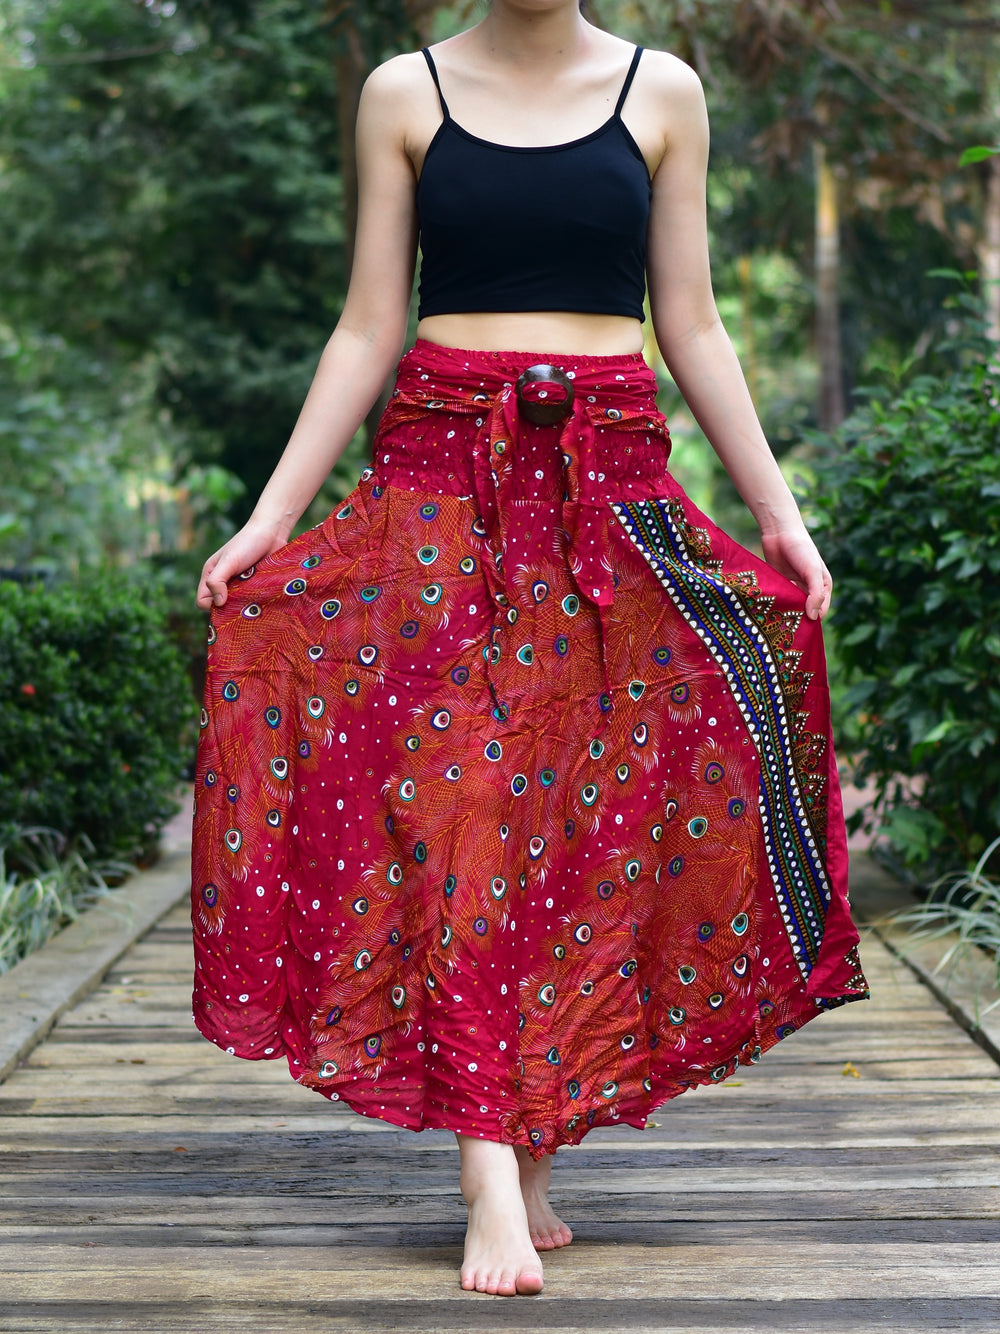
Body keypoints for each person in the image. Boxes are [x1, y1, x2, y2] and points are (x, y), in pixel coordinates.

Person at [191, 0, 868, 1298]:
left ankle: (534, 1134)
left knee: (575, 812)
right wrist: (271, 517)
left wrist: (779, 518)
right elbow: (367, 326)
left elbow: (696, 323)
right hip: (440, 482)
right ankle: (487, 1173)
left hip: (611, 482)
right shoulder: (405, 91)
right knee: (462, 802)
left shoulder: (662, 92)